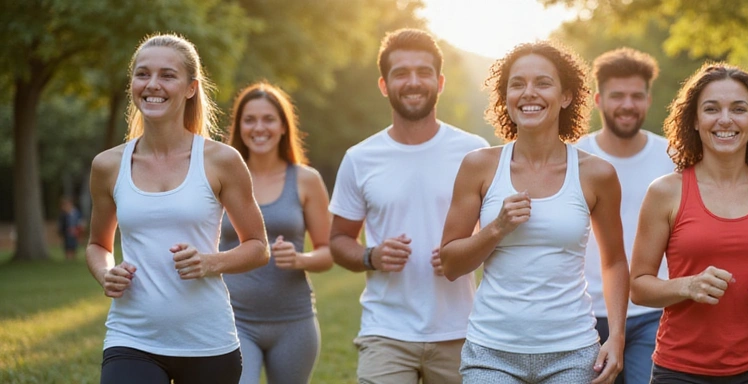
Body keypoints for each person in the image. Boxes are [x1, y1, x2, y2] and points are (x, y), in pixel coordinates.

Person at [440, 40, 630, 384]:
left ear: (566, 96)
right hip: (490, 354)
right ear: (506, 97)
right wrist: (496, 228)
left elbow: (614, 260)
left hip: (572, 354)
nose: (529, 93)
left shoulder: (596, 174)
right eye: (517, 84)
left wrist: (616, 336)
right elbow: (451, 264)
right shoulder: (479, 167)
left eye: (543, 83)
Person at [85, 33, 269, 384]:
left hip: (207, 342)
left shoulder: (221, 161)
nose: (152, 85)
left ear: (190, 88)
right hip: (131, 337)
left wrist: (210, 262)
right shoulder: (108, 165)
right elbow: (98, 245)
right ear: (133, 84)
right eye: (142, 74)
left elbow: (259, 247)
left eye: (167, 75)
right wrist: (105, 273)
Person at [328, 28, 489, 383]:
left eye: (423, 72)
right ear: (384, 85)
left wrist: (460, 253)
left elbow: (496, 236)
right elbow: (338, 241)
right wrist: (372, 256)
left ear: (440, 81)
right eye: (401, 73)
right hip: (386, 331)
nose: (413, 81)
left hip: (461, 331)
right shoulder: (360, 158)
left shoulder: (474, 151)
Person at [630, 63, 748, 383]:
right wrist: (687, 285)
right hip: (681, 367)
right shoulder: (665, 192)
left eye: (738, 109)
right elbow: (639, 287)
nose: (725, 119)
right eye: (712, 109)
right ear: (695, 120)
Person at [574, 47, 675, 384]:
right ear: (599, 100)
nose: (628, 105)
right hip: (584, 313)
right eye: (617, 96)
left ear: (648, 100)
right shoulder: (573, 156)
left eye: (636, 96)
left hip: (654, 311)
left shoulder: (673, 156)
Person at [221, 82, 333, 384]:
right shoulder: (220, 178)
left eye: (268, 119)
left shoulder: (306, 180)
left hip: (294, 323)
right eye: (250, 119)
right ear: (239, 126)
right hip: (233, 319)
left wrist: (301, 259)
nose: (259, 128)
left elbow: (327, 252)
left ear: (283, 126)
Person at [59, 196, 84, 261]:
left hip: (75, 231)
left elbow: (80, 221)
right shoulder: (63, 214)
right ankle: (68, 257)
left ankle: (73, 257)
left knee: (74, 244)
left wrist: (78, 229)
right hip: (67, 232)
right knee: (67, 245)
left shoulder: (76, 213)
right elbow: (62, 224)